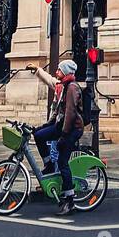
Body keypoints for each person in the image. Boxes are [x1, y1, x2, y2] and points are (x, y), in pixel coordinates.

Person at [29, 59, 85, 214]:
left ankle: (69, 201)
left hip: (72, 129)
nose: (56, 72)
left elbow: (70, 114)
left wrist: (63, 137)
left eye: (59, 70)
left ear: (66, 72)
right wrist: (42, 127)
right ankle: (48, 165)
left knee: (62, 162)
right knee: (39, 136)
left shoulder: (72, 88)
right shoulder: (63, 86)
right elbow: (57, 113)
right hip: (62, 126)